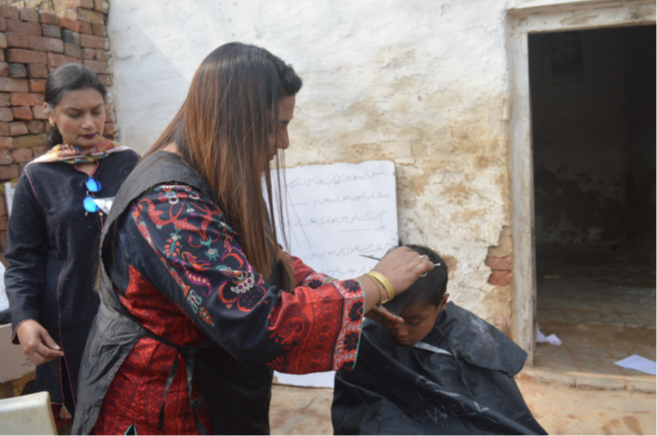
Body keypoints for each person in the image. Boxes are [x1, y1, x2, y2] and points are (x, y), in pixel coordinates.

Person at [72, 42, 432, 436]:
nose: (284, 143)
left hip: (206, 384)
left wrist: (341, 292)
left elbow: (257, 259)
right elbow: (258, 323)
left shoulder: (211, 173)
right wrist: (374, 285)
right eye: (277, 125)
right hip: (159, 401)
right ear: (235, 120)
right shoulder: (169, 205)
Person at [4, 64, 140, 427]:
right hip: (70, 324)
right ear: (50, 114)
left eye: (97, 111)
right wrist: (25, 318)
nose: (89, 124)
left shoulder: (128, 162)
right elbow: (21, 259)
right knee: (89, 415)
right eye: (74, 114)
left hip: (132, 316)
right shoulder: (38, 176)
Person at [332, 245, 547, 436]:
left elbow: (501, 414)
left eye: (413, 321)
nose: (399, 330)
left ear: (442, 303)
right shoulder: (367, 338)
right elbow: (357, 409)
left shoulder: (472, 340)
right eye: (389, 317)